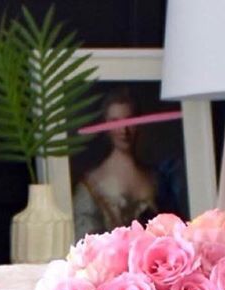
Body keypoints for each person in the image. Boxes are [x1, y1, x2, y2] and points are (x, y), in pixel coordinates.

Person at [72, 88, 180, 237]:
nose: (124, 130)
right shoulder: (89, 186)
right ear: (105, 126)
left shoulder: (157, 179)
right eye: (115, 122)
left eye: (129, 120)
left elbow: (175, 230)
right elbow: (85, 241)